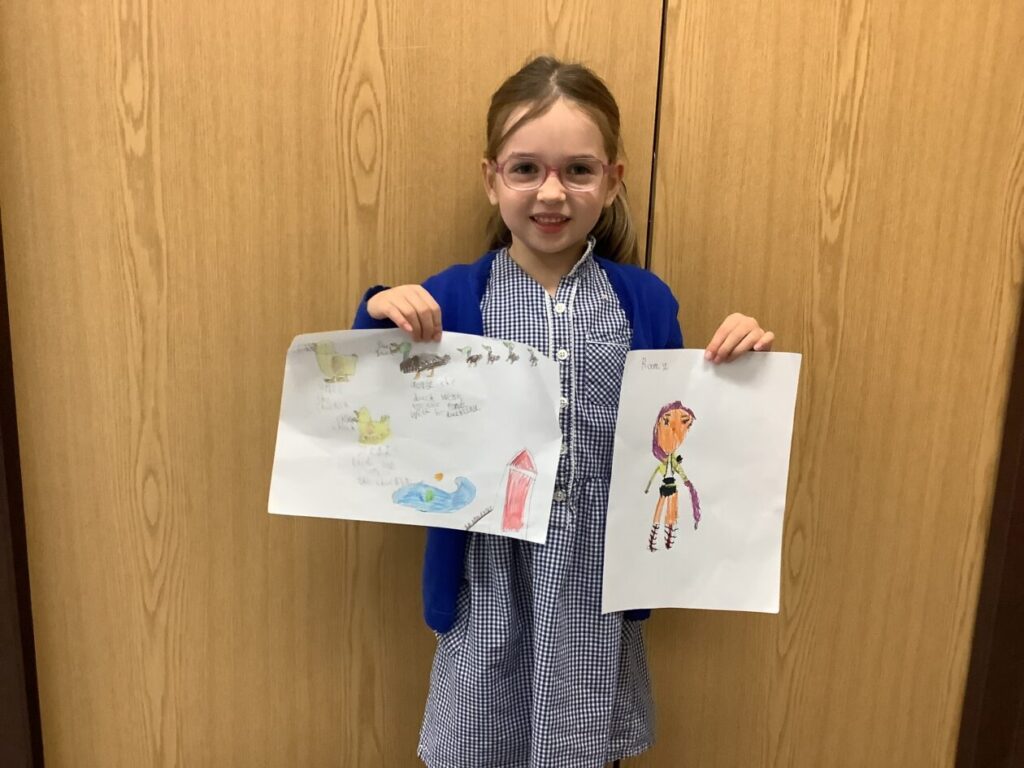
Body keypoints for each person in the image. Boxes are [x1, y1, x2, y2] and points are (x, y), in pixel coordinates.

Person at [352, 55, 774, 768]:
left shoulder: (643, 300)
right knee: (481, 735)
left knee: (583, 743)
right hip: (490, 570)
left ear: (613, 180)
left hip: (598, 573)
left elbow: (676, 428)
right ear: (491, 178)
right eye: (526, 169)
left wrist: (740, 362)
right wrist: (379, 312)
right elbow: (370, 406)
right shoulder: (453, 297)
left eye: (578, 170)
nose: (552, 192)